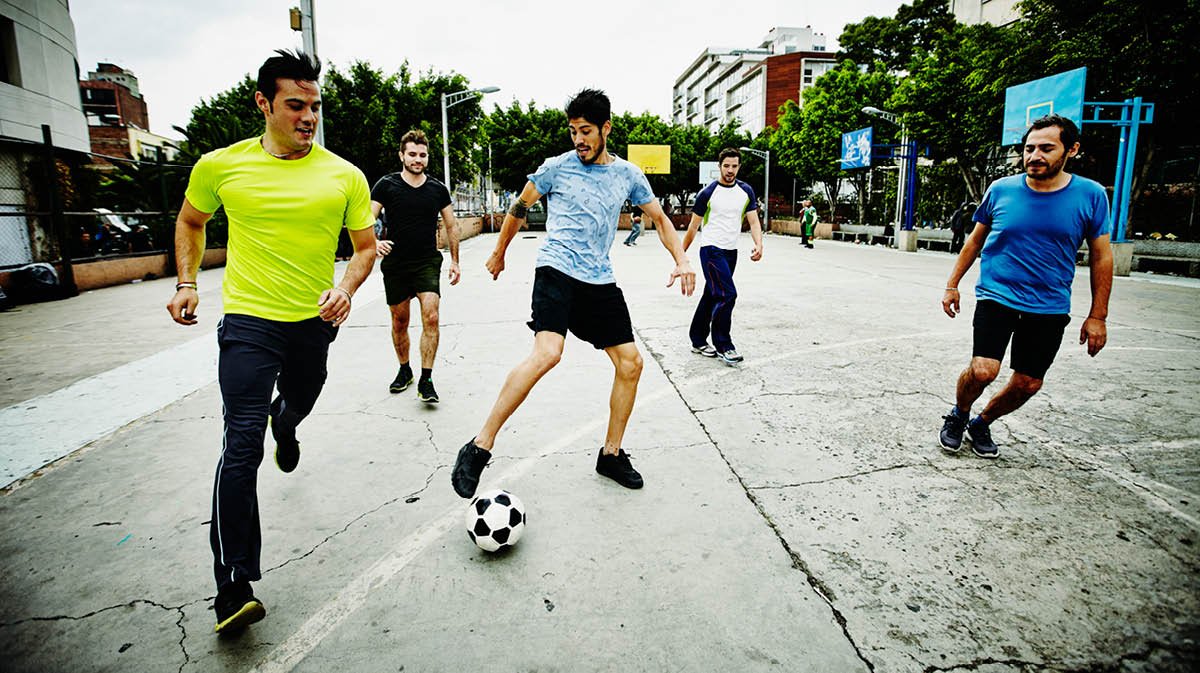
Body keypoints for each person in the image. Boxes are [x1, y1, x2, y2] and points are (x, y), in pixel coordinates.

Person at [165, 50, 377, 634]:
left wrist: (346, 287)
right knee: (241, 445)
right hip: (249, 323)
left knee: (299, 402)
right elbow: (189, 221)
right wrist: (187, 282)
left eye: (314, 106)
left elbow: (363, 248)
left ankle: (288, 422)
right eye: (295, 106)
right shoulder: (220, 166)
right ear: (264, 104)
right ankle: (232, 583)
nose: (308, 117)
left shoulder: (344, 175)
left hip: (314, 323)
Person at [450, 89, 696, 499]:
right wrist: (499, 251)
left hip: (598, 279)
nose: (578, 140)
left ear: (606, 129)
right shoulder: (555, 168)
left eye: (585, 131)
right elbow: (519, 206)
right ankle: (479, 445)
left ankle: (611, 454)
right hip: (556, 269)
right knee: (548, 352)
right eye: (573, 131)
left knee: (631, 364)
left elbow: (660, 218)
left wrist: (682, 259)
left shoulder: (628, 175)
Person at [938, 115, 1112, 459]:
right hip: (997, 295)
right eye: (1029, 148)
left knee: (1028, 383)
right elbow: (974, 242)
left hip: (1049, 305)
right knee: (983, 371)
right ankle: (958, 414)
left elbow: (1102, 257)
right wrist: (952, 284)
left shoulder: (1091, 195)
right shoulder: (1001, 189)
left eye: (1046, 148)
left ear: (1071, 150)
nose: (1034, 155)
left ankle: (981, 423)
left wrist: (1098, 316)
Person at [372, 129, 461, 403]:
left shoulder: (437, 189)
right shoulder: (386, 185)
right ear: (402, 155)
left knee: (431, 317)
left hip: (427, 261)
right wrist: (373, 242)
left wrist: (455, 260)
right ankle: (404, 370)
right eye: (412, 154)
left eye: (422, 155)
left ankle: (427, 378)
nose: (417, 159)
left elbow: (451, 225)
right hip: (396, 263)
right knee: (400, 321)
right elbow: (365, 218)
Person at [683, 147, 764, 365]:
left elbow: (754, 221)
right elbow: (692, 228)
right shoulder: (707, 194)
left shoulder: (746, 191)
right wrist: (680, 258)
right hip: (711, 250)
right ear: (718, 167)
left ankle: (698, 340)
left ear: (739, 167)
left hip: (731, 251)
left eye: (734, 166)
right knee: (727, 295)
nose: (730, 170)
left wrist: (759, 244)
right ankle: (724, 345)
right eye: (726, 166)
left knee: (712, 295)